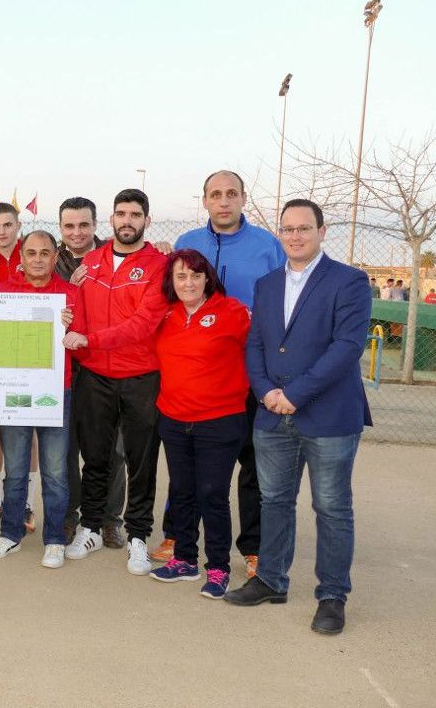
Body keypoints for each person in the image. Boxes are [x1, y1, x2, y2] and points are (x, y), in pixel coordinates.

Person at [225, 199, 372, 636]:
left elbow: (347, 347)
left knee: (331, 507)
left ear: (321, 231)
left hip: (328, 416)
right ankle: (270, 578)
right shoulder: (268, 284)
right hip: (272, 415)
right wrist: (267, 391)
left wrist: (294, 393)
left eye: (303, 228)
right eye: (287, 229)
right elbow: (256, 345)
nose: (295, 236)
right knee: (273, 501)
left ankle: (331, 596)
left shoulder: (350, 281)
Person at [164, 170, 286, 577]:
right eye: (215, 194)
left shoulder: (268, 246)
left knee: (251, 464)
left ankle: (251, 546)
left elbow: (283, 304)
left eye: (231, 194)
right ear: (204, 201)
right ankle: (179, 541)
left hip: (249, 375)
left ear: (243, 199)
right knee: (187, 467)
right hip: (197, 378)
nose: (224, 201)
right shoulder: (188, 244)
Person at [63, 188, 168, 576]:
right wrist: (75, 332)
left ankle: (138, 535)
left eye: (135, 214)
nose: (127, 221)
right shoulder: (91, 262)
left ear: (146, 220)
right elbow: (78, 311)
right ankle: (90, 526)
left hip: (141, 376)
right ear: (111, 220)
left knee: (141, 459)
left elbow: (144, 324)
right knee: (96, 457)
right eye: (121, 214)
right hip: (96, 375)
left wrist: (90, 340)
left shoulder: (159, 265)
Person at [147, 250, 250, 600]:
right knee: (182, 491)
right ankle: (184, 559)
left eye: (194, 275)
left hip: (219, 421)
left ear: (207, 277)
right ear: (171, 282)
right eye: (180, 276)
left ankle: (218, 566)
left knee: (213, 495)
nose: (187, 282)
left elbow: (260, 351)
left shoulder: (233, 312)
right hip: (174, 419)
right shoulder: (166, 315)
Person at [0, 231, 76, 568]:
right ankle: (10, 533)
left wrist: (70, 328)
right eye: (31, 253)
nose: (37, 259)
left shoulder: (71, 295)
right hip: (14, 393)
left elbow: (84, 340)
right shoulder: (2, 293)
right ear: (21, 257)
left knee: (54, 472)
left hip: (56, 392)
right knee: (16, 469)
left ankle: (54, 539)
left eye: (45, 253)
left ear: (55, 257)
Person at [55, 196, 125, 548]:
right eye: (69, 225)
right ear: (60, 228)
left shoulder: (112, 257)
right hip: (64, 371)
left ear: (96, 225)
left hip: (102, 366)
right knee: (65, 448)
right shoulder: (49, 260)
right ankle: (69, 517)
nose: (77, 232)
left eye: (84, 224)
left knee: (109, 449)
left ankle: (110, 519)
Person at [0, 202, 40, 533]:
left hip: (29, 359)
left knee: (28, 434)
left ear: (18, 226)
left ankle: (26, 504)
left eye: (7, 225)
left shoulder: (35, 258)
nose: (2, 232)